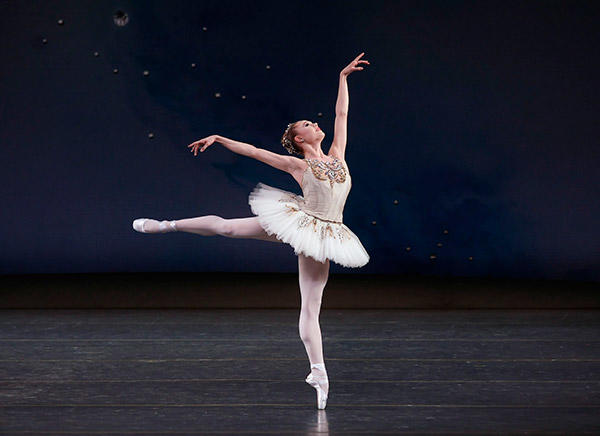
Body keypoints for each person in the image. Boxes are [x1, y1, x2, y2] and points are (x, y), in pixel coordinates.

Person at [132, 52, 371, 409]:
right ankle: (165, 225)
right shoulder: (296, 164)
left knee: (311, 308)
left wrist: (343, 78)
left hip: (326, 233)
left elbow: (342, 114)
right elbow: (256, 152)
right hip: (300, 221)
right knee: (227, 228)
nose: (315, 123)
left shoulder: (337, 154)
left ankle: (318, 372)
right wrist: (219, 137)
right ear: (299, 138)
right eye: (307, 124)